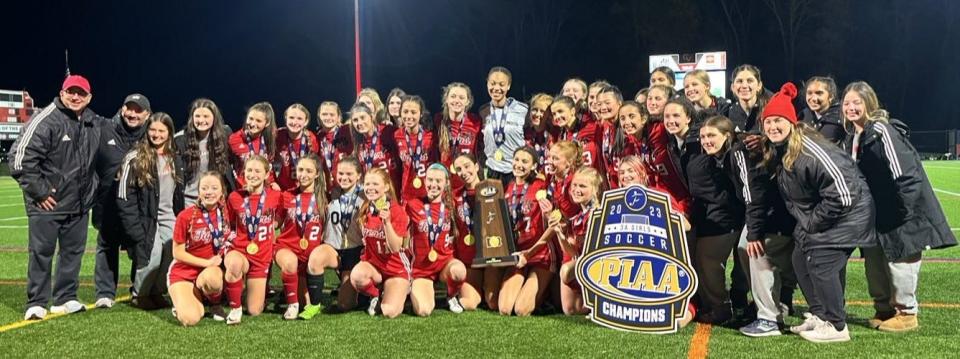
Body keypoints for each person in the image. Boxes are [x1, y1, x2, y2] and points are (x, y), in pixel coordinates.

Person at [760, 82, 877, 343]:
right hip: (823, 215)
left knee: (821, 263)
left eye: (778, 121)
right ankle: (820, 314)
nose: (772, 127)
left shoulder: (810, 150)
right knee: (800, 258)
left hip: (849, 215)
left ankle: (836, 326)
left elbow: (844, 193)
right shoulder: (782, 148)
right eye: (768, 122)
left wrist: (813, 223)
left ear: (791, 122)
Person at [841, 81, 957, 332]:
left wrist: (902, 210)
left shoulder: (881, 129)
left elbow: (905, 174)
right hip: (877, 213)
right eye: (847, 103)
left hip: (901, 210)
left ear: (869, 103)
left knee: (901, 260)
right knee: (875, 262)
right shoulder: (853, 136)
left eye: (856, 102)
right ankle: (883, 309)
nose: (851, 107)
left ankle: (906, 313)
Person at [11, 75, 103, 320]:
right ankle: (38, 302)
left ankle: (65, 298)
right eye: (71, 92)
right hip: (47, 204)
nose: (75, 97)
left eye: (81, 93)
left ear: (89, 97)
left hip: (79, 205)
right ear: (62, 93)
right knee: (41, 253)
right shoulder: (46, 118)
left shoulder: (93, 122)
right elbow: (20, 159)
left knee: (73, 253)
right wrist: (40, 192)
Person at [699, 115, 797, 337]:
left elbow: (753, 195)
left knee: (753, 251)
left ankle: (770, 316)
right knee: (748, 251)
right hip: (767, 212)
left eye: (712, 135)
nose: (706, 141)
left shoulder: (737, 152)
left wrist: (754, 231)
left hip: (774, 214)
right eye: (703, 136)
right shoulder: (726, 155)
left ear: (727, 136)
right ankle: (773, 305)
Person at [664, 99, 745, 324]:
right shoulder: (674, 143)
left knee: (708, 259)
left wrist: (725, 208)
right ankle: (715, 306)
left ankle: (723, 307)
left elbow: (726, 181)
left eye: (676, 116)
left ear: (689, 118)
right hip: (702, 212)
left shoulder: (700, 142)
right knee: (702, 261)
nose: (671, 120)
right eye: (667, 117)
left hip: (721, 214)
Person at [117, 113, 185, 309]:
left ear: (169, 133)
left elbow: (178, 191)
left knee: (171, 255)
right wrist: (134, 228)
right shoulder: (135, 157)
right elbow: (124, 196)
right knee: (152, 257)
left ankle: (157, 292)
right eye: (152, 130)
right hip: (146, 219)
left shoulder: (174, 157)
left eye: (161, 130)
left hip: (169, 216)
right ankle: (140, 294)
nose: (156, 134)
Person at [92, 93, 150, 309]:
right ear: (122, 109)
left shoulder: (151, 135)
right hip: (107, 203)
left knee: (140, 245)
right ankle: (105, 293)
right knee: (107, 246)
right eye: (129, 108)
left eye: (138, 110)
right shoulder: (103, 129)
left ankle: (139, 289)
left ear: (147, 114)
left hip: (137, 206)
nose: (132, 114)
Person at [300, 157, 366, 319]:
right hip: (333, 248)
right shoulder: (331, 193)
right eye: (340, 173)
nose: (344, 177)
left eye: (349, 174)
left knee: (344, 304)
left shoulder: (366, 195)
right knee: (315, 258)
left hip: (354, 251)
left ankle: (366, 294)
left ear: (359, 175)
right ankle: (314, 305)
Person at [223, 155, 284, 324]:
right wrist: (231, 240)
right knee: (234, 264)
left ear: (266, 174)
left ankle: (245, 291)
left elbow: (281, 216)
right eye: (249, 170)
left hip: (261, 257)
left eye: (258, 171)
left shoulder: (276, 195)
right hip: (240, 251)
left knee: (254, 310)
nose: (252, 174)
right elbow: (226, 224)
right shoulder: (235, 197)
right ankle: (235, 309)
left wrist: (275, 223)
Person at [168, 171, 231, 326]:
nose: (209, 192)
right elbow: (177, 253)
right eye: (204, 188)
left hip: (210, 273)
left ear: (222, 190)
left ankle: (214, 304)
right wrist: (206, 263)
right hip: (184, 272)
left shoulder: (227, 212)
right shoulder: (186, 216)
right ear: (198, 191)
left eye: (214, 188)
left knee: (213, 279)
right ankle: (191, 301)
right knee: (190, 319)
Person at [349, 168, 412, 318]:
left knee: (389, 312)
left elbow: (396, 247)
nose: (370, 188)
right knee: (357, 275)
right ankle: (376, 294)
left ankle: (403, 290)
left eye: (375, 184)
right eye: (367, 184)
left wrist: (387, 222)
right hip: (375, 266)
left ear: (386, 187)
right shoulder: (365, 209)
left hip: (396, 268)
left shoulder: (397, 211)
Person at [498, 147, 553, 316]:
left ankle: (546, 293)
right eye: (517, 160)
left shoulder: (541, 186)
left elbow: (553, 223)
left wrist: (550, 211)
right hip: (517, 254)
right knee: (505, 309)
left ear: (534, 165)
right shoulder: (507, 188)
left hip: (539, 253)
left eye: (525, 161)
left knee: (521, 310)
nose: (519, 165)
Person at [407, 164, 468, 316]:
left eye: (438, 181)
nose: (433, 185)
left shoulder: (451, 205)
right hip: (422, 269)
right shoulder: (412, 205)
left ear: (446, 182)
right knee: (424, 311)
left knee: (458, 272)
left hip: (445, 264)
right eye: (430, 180)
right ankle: (420, 290)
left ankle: (451, 295)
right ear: (424, 180)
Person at [275, 154, 328, 319]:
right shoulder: (287, 196)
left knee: (308, 303)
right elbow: (275, 223)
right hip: (288, 248)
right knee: (290, 263)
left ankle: (293, 291)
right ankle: (292, 305)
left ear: (317, 174)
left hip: (310, 256)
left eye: (308, 171)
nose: (303, 174)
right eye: (300, 170)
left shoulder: (325, 198)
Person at [550, 167, 602, 315]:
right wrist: (560, 234)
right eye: (574, 185)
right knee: (571, 310)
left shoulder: (599, 214)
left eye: (583, 186)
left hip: (602, 266)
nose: (576, 190)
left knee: (566, 271)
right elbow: (572, 252)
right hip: (585, 264)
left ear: (595, 190)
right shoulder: (577, 218)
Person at [174, 98, 234, 205]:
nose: (201, 120)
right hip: (191, 201)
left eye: (206, 116)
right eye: (197, 116)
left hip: (218, 200)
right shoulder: (180, 140)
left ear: (214, 118)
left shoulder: (225, 134)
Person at [479, 66, 528, 183]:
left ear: (508, 86)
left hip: (515, 170)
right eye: (492, 83)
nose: (496, 88)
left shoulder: (522, 109)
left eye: (501, 84)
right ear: (487, 84)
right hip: (492, 170)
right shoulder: (483, 111)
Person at [450, 153, 485, 311]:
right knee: (468, 303)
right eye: (458, 169)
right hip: (468, 259)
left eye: (467, 166)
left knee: (493, 302)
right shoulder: (454, 196)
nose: (463, 172)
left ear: (476, 167)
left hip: (490, 260)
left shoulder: (492, 189)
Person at [435, 82, 482, 193]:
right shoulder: (438, 121)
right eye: (453, 96)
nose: (457, 101)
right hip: (445, 182)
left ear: (468, 102)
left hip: (468, 181)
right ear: (446, 99)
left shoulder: (475, 122)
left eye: (461, 98)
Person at [395, 95, 438, 202]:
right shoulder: (396, 135)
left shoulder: (431, 136)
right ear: (400, 113)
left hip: (429, 193)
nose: (409, 116)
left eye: (413, 112)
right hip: (407, 195)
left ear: (421, 114)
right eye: (405, 112)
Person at [350, 102, 401, 191]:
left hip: (394, 191)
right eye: (355, 120)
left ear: (371, 117)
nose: (359, 123)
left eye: (362, 118)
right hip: (374, 193)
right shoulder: (358, 143)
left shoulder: (388, 131)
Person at [228, 102, 278, 189]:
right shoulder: (234, 139)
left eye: (258, 121)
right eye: (250, 119)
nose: (253, 124)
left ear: (267, 123)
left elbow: (270, 166)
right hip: (243, 189)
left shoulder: (272, 138)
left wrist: (272, 182)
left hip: (266, 189)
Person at [275, 103, 320, 191]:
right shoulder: (278, 136)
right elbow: (268, 160)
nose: (294, 122)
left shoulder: (311, 139)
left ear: (306, 121)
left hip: (305, 188)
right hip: (283, 189)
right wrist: (272, 182)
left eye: (299, 119)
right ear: (286, 118)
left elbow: (316, 166)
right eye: (291, 118)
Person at [316, 101, 352, 196]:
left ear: (339, 117)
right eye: (324, 114)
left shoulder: (347, 131)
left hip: (349, 186)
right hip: (328, 189)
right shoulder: (317, 137)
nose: (328, 118)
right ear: (319, 117)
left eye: (332, 114)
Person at [800, 76, 845, 145]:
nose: (814, 98)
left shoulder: (843, 117)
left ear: (831, 96)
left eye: (819, 93)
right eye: (809, 93)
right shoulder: (803, 115)